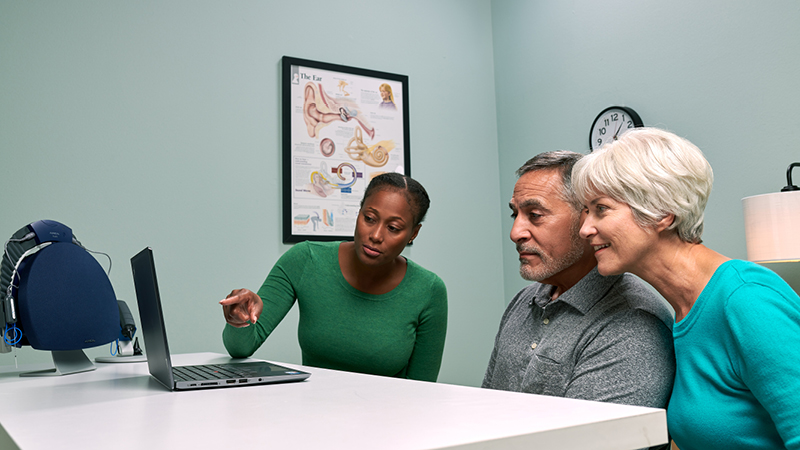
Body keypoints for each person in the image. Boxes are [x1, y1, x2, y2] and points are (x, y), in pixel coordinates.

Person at [573, 127, 800, 450]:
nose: (585, 229)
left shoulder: (748, 298)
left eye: (601, 209)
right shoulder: (682, 309)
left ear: (663, 213)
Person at [482, 151, 675, 409]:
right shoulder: (523, 301)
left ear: (586, 218)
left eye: (535, 214)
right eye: (514, 215)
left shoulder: (633, 323)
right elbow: (485, 408)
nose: (515, 232)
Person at [220, 173, 447, 382]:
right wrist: (240, 319)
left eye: (394, 228)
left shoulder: (429, 290)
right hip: (312, 415)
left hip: (387, 419)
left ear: (413, 234)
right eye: (369, 218)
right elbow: (241, 348)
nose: (376, 235)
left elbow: (422, 390)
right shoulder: (306, 259)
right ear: (358, 213)